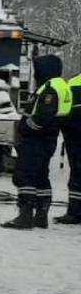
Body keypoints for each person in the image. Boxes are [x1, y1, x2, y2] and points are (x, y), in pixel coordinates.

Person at [2, 54, 70, 230]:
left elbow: (42, 117)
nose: (36, 73)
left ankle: (25, 216)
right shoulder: (60, 86)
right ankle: (41, 215)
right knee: (41, 176)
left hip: (36, 140)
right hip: (47, 140)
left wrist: (26, 129)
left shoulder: (50, 88)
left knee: (25, 175)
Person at [49, 66, 81, 225]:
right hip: (74, 135)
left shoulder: (74, 83)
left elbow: (67, 112)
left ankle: (75, 212)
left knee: (77, 174)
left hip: (75, 137)